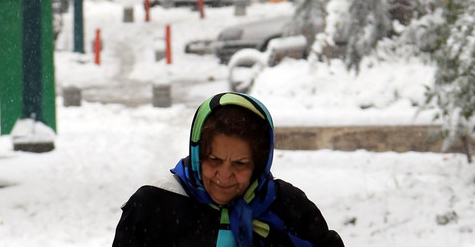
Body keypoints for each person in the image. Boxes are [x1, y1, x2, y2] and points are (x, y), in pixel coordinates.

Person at [114, 92, 344, 247]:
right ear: (197, 155)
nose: (224, 175)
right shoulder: (155, 204)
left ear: (259, 164)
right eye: (214, 160)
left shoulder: (287, 207)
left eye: (240, 164)